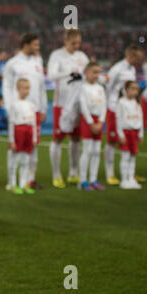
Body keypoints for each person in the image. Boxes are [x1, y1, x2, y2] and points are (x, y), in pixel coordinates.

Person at [2, 33, 48, 190]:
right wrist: (9, 106)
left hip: (34, 110)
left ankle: (29, 180)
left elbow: (41, 86)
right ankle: (11, 180)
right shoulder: (13, 63)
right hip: (18, 110)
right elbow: (7, 86)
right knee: (15, 147)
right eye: (35, 45)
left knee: (33, 146)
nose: (37, 48)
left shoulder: (38, 61)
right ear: (26, 45)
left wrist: (43, 107)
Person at [47, 29, 89, 188]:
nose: (77, 46)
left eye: (79, 42)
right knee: (58, 138)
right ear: (65, 41)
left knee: (76, 138)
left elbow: (87, 73)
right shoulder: (57, 55)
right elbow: (51, 75)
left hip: (78, 103)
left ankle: (73, 171)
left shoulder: (82, 56)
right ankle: (56, 174)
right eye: (73, 43)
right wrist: (69, 73)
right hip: (62, 104)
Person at [105, 44, 144, 185]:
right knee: (111, 140)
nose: (139, 60)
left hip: (127, 109)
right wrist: (108, 106)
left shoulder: (132, 69)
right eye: (138, 57)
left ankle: (130, 174)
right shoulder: (117, 69)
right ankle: (110, 172)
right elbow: (108, 88)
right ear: (131, 55)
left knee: (128, 142)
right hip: (114, 108)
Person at [78, 62, 107, 191]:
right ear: (86, 73)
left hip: (98, 121)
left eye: (98, 72)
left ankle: (93, 179)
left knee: (96, 151)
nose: (96, 75)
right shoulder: (83, 88)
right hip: (88, 120)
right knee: (87, 151)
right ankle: (83, 180)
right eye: (94, 72)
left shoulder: (100, 88)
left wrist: (101, 121)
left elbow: (104, 105)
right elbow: (83, 106)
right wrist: (91, 122)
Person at [7, 79, 37, 195]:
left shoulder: (31, 105)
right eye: (24, 88)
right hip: (18, 131)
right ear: (18, 89)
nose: (26, 90)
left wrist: (34, 138)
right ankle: (12, 184)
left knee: (26, 160)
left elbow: (34, 123)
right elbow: (11, 123)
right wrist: (11, 140)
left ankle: (23, 184)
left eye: (28, 88)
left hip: (29, 132)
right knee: (15, 160)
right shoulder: (14, 105)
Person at [117, 81, 144, 190]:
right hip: (126, 132)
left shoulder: (137, 103)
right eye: (132, 88)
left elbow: (140, 118)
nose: (135, 91)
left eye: (136, 89)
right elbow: (118, 119)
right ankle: (124, 179)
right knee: (125, 156)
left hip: (135, 132)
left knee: (133, 157)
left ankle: (131, 178)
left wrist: (141, 133)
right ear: (126, 90)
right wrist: (120, 134)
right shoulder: (121, 102)